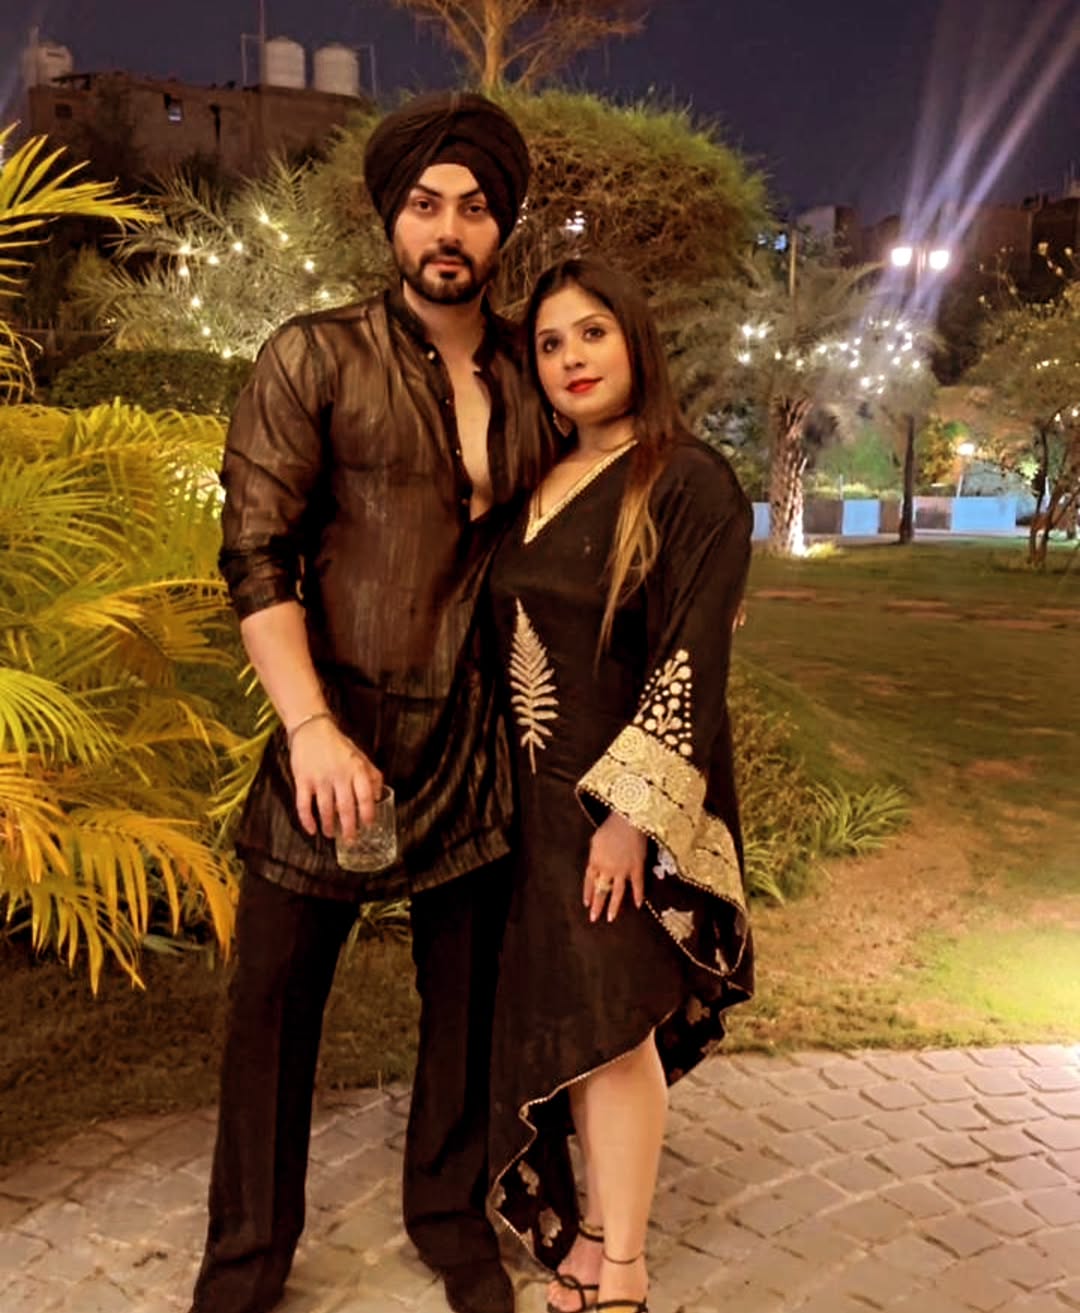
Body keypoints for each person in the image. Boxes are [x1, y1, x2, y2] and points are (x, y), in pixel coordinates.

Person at [190, 91, 551, 1313]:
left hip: (477, 742)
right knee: (271, 1011)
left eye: (475, 207)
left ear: (502, 226)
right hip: (334, 741)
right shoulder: (315, 356)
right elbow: (257, 557)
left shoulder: (532, 371)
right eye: (426, 204)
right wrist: (309, 730)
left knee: (467, 1010)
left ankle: (451, 1220)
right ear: (392, 218)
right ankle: (245, 1263)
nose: (449, 229)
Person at [486, 258, 755, 1313]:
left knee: (615, 1023)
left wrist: (631, 820)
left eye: (592, 332)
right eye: (550, 344)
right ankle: (595, 1231)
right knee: (577, 1027)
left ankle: (628, 1266)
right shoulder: (537, 482)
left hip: (617, 809)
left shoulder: (688, 481)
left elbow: (692, 653)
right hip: (532, 811)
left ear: (634, 336)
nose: (571, 358)